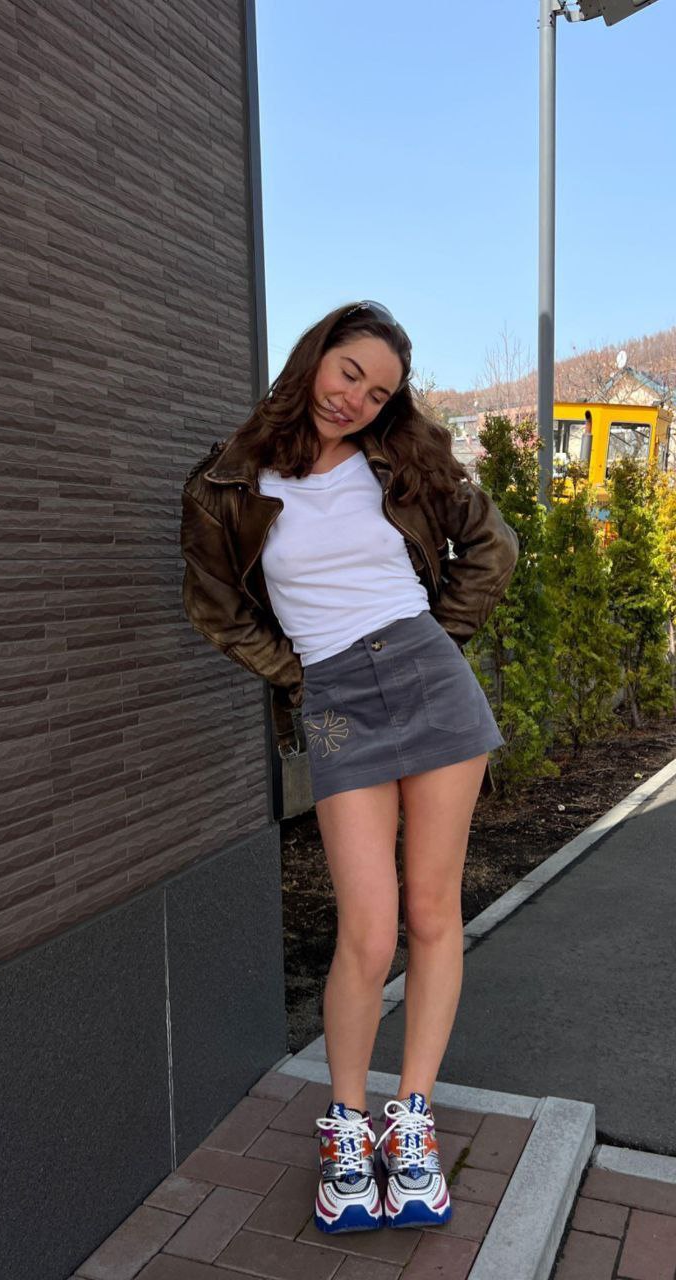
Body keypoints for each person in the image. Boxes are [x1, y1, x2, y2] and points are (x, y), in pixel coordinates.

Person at [180, 300, 519, 1234]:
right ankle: (346, 1129)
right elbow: (216, 607)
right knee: (367, 931)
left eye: (377, 392)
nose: (356, 399)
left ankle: (411, 1124)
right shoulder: (225, 480)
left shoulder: (402, 457)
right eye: (349, 373)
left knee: (432, 913)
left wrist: (437, 642)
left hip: (429, 680)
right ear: (316, 356)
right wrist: (303, 677)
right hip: (334, 701)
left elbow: (493, 546)